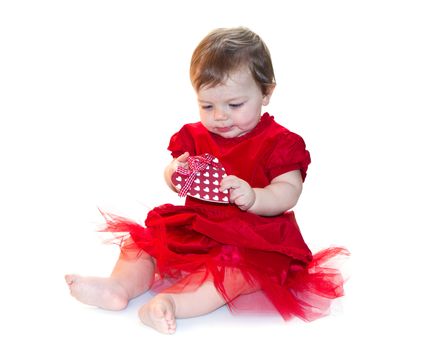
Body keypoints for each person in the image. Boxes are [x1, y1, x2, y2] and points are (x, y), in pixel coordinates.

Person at [65, 27, 348, 335]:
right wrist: (174, 172)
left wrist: (255, 196)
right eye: (207, 105)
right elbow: (177, 179)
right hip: (199, 225)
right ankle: (118, 286)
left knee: (235, 271)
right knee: (142, 241)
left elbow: (289, 191)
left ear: (266, 93)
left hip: (252, 238)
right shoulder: (196, 136)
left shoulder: (279, 143)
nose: (219, 117)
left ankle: (171, 304)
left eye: (234, 105)